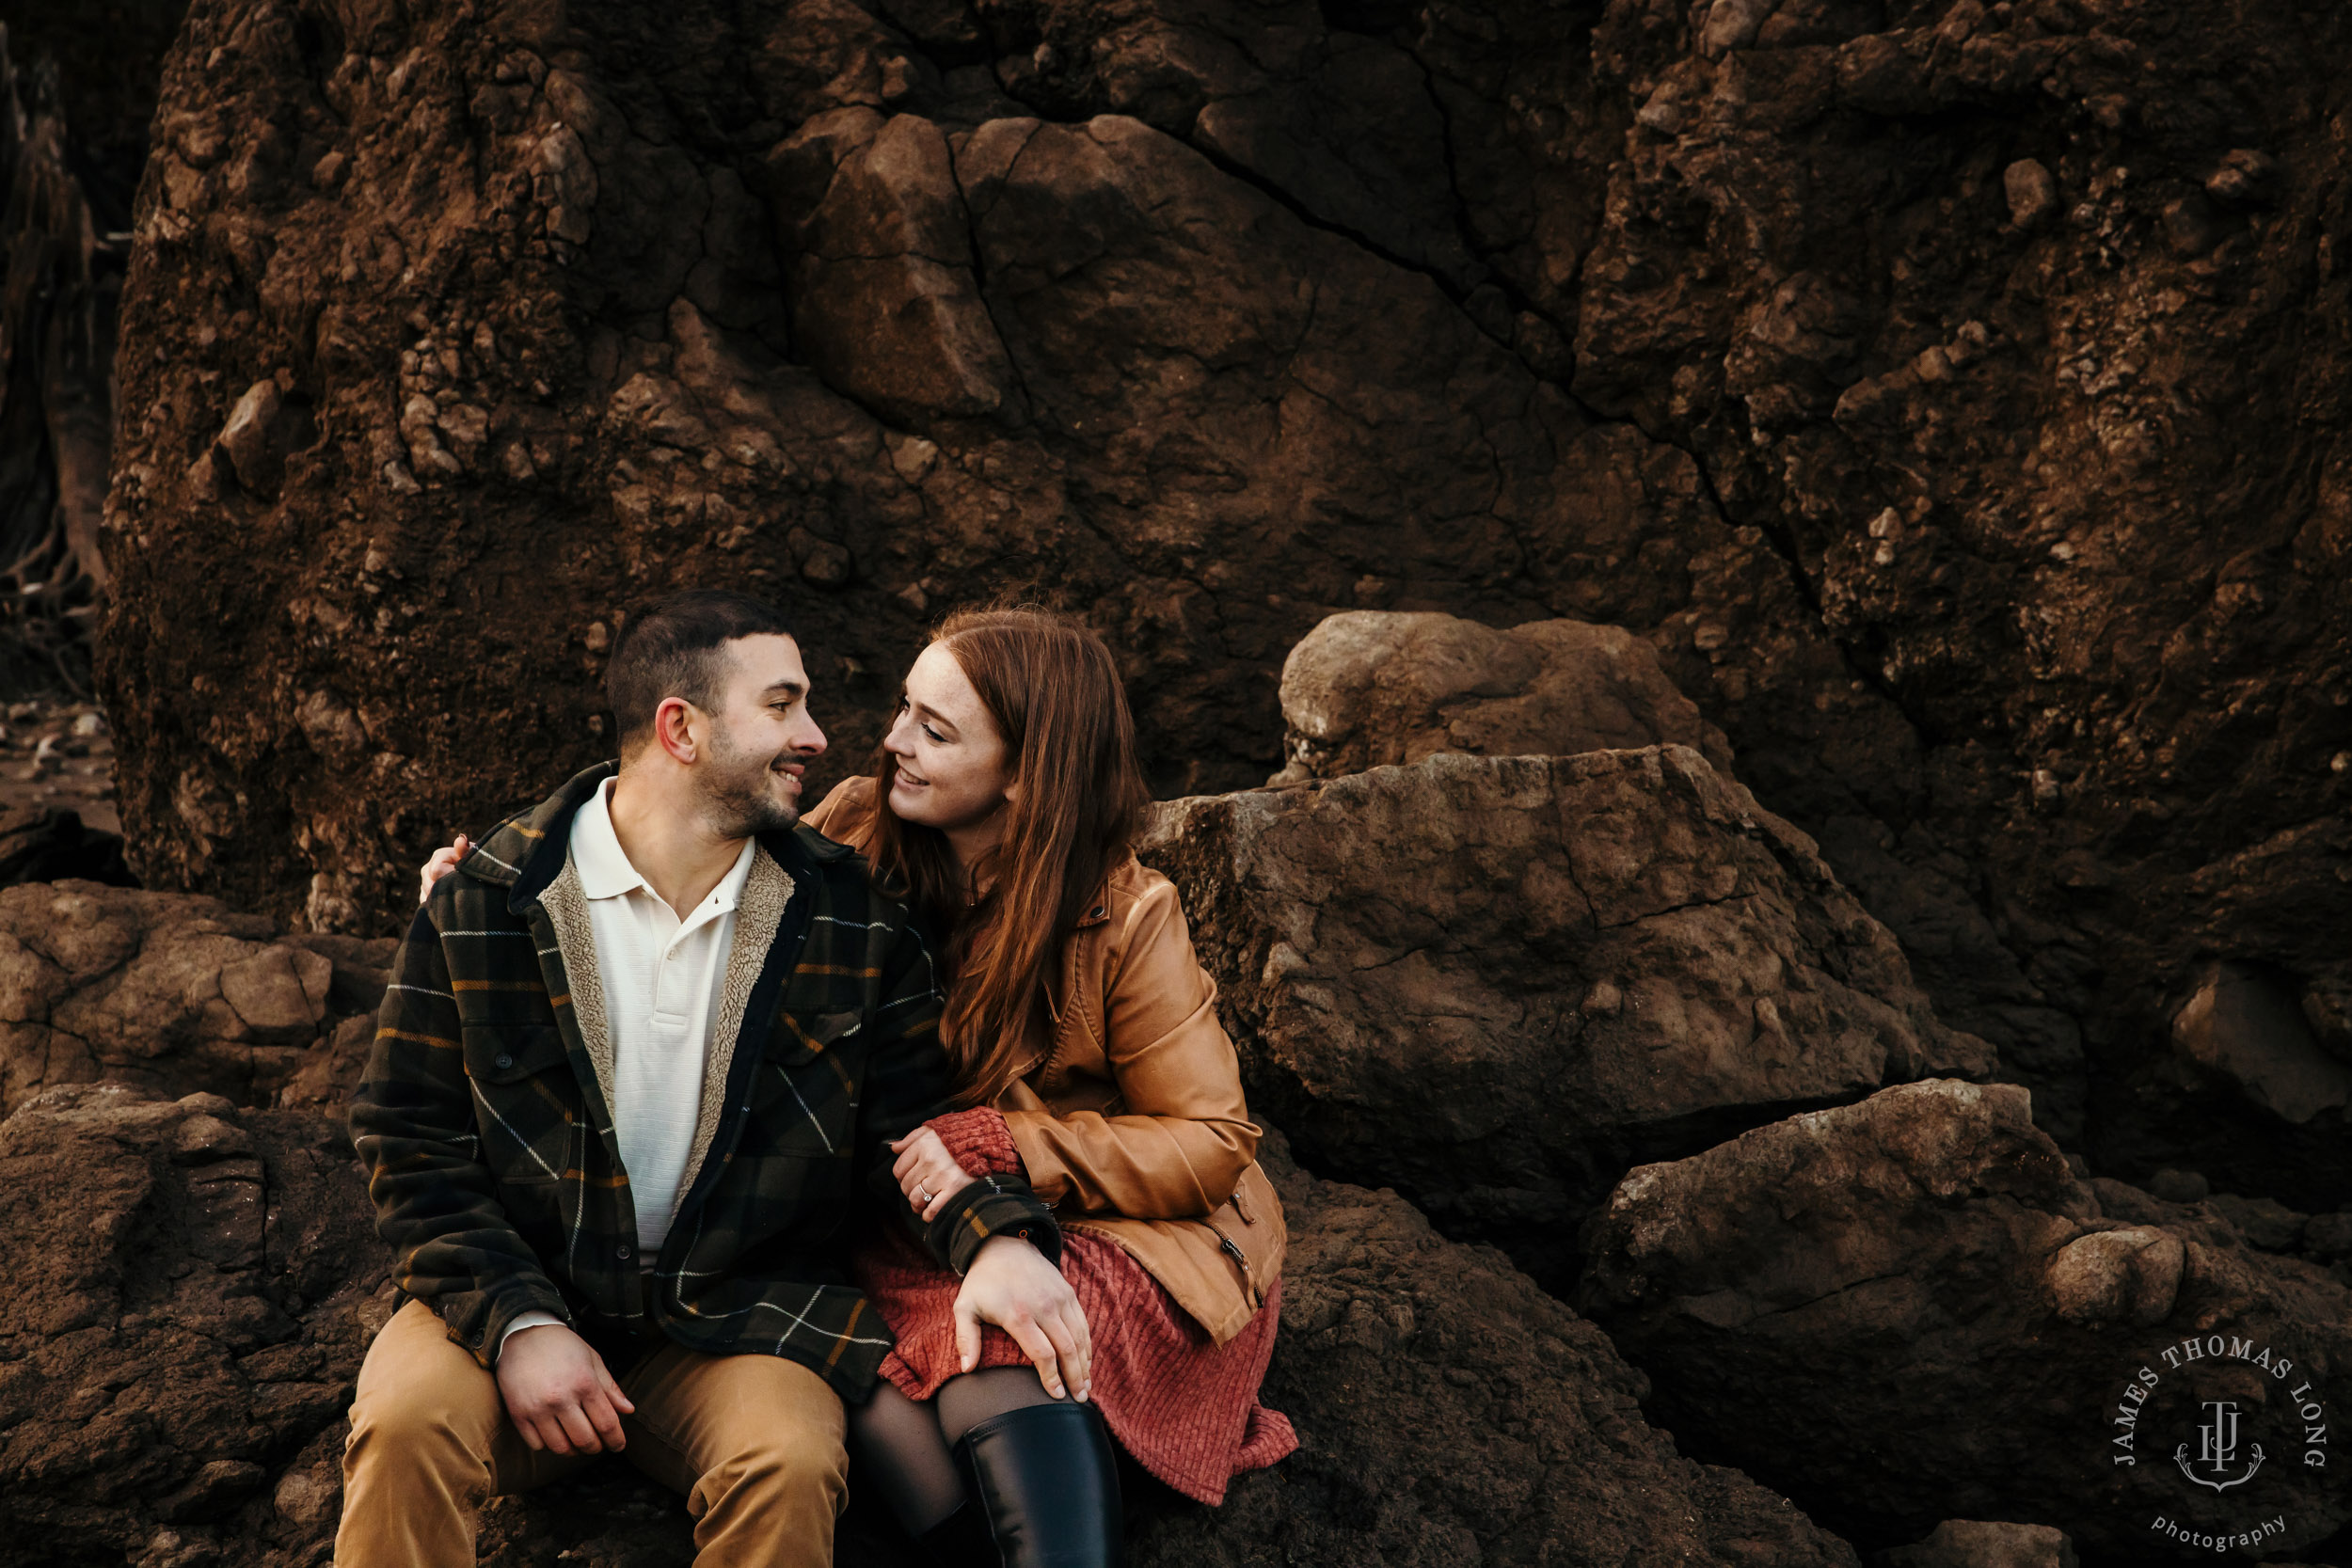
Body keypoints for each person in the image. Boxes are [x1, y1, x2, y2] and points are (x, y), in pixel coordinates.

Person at [421, 606, 1295, 1566]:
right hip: (902, 1196)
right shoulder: (847, 826)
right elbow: (659, 854)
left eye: (934, 729)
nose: (891, 742)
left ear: (1024, 772)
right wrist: (494, 896)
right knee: (858, 1364)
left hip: (1109, 1215)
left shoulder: (1127, 912)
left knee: (993, 1343)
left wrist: (1008, 1150)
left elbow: (1212, 1139)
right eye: (903, 709)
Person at [342, 590, 1085, 1568]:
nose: (818, 735)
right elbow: (409, 1137)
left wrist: (994, 1241)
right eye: (783, 705)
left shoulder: (849, 918)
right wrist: (520, 1321)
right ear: (679, 728)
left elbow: (910, 1126)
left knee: (784, 1463)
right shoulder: (487, 898)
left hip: (737, 1316)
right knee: (403, 1429)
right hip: (512, 1291)